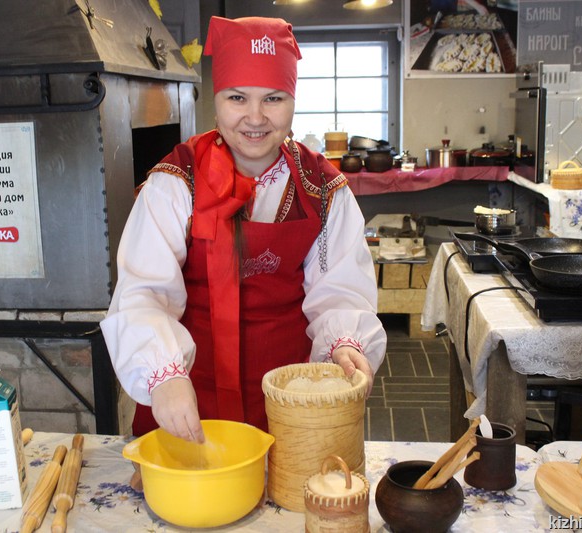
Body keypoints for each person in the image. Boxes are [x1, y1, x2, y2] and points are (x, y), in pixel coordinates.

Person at [101, 16, 386, 443]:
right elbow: (142, 291)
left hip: (291, 400)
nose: (255, 117)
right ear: (217, 101)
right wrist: (163, 374)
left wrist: (345, 343)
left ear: (292, 100)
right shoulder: (175, 182)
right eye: (238, 97)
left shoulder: (323, 188)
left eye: (273, 98)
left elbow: (340, 290)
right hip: (188, 400)